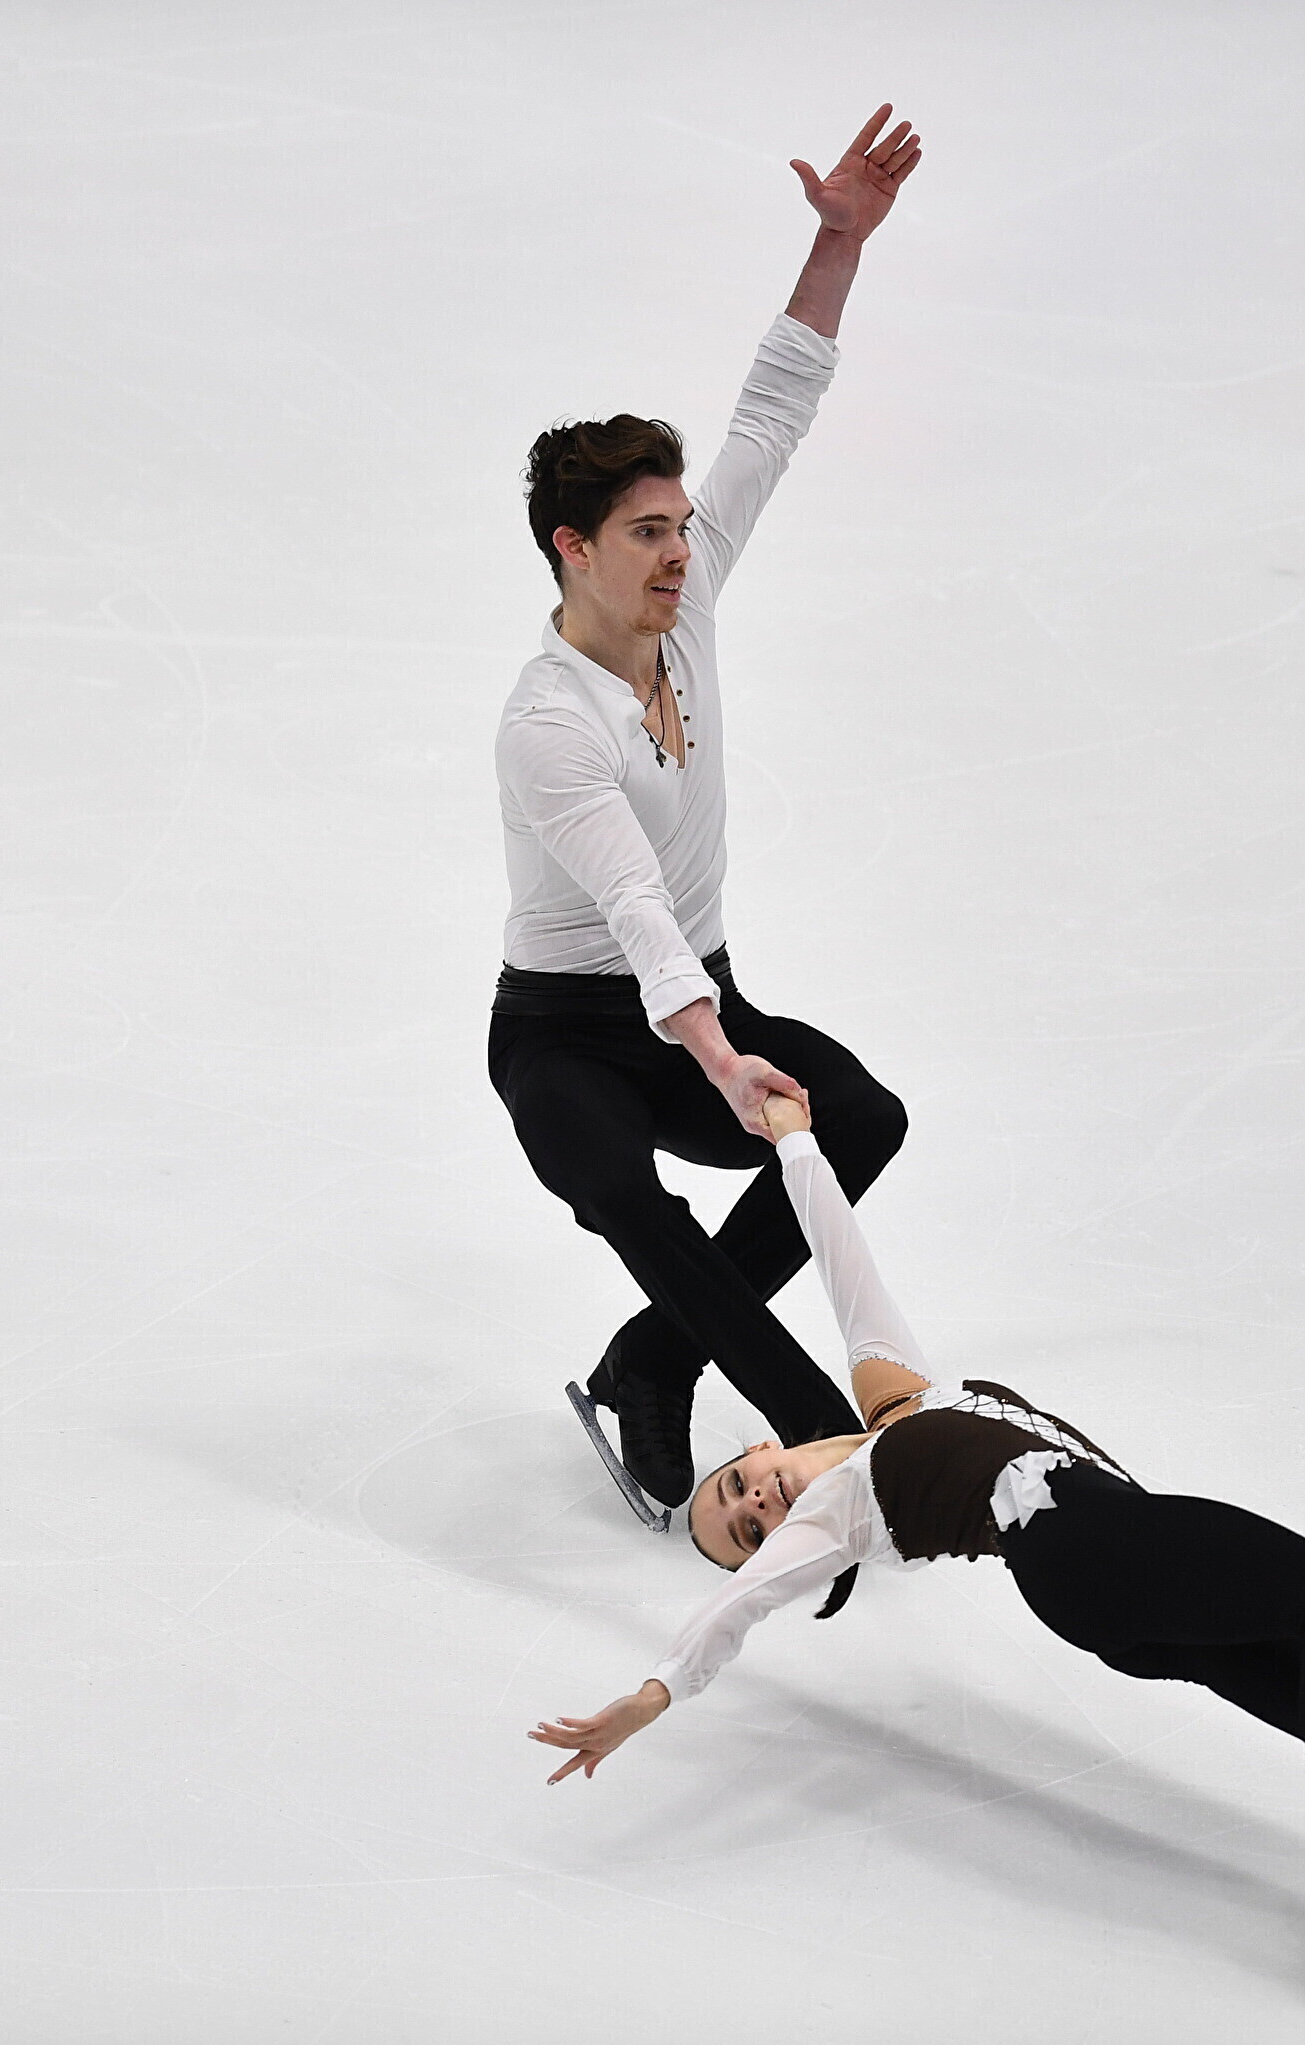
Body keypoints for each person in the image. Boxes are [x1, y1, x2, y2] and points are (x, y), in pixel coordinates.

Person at [527, 1093, 1305, 2009]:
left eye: (737, 1488)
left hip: (1107, 1584)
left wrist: (797, 1141)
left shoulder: (893, 1388)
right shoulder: (838, 1515)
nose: (760, 1508)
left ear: (754, 1446)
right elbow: (735, 1612)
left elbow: (839, 1252)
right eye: (748, 1532)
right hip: (1083, 1548)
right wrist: (653, 1693)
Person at [491, 106, 925, 1522]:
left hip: (699, 1002)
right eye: (647, 532)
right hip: (568, 1037)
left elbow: (775, 410)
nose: (682, 551)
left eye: (683, 525)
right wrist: (721, 1056)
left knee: (858, 1117)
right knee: (630, 1192)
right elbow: (632, 906)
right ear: (573, 548)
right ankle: (821, 1437)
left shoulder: (689, 596)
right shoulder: (549, 723)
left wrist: (837, 243)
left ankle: (651, 1363)